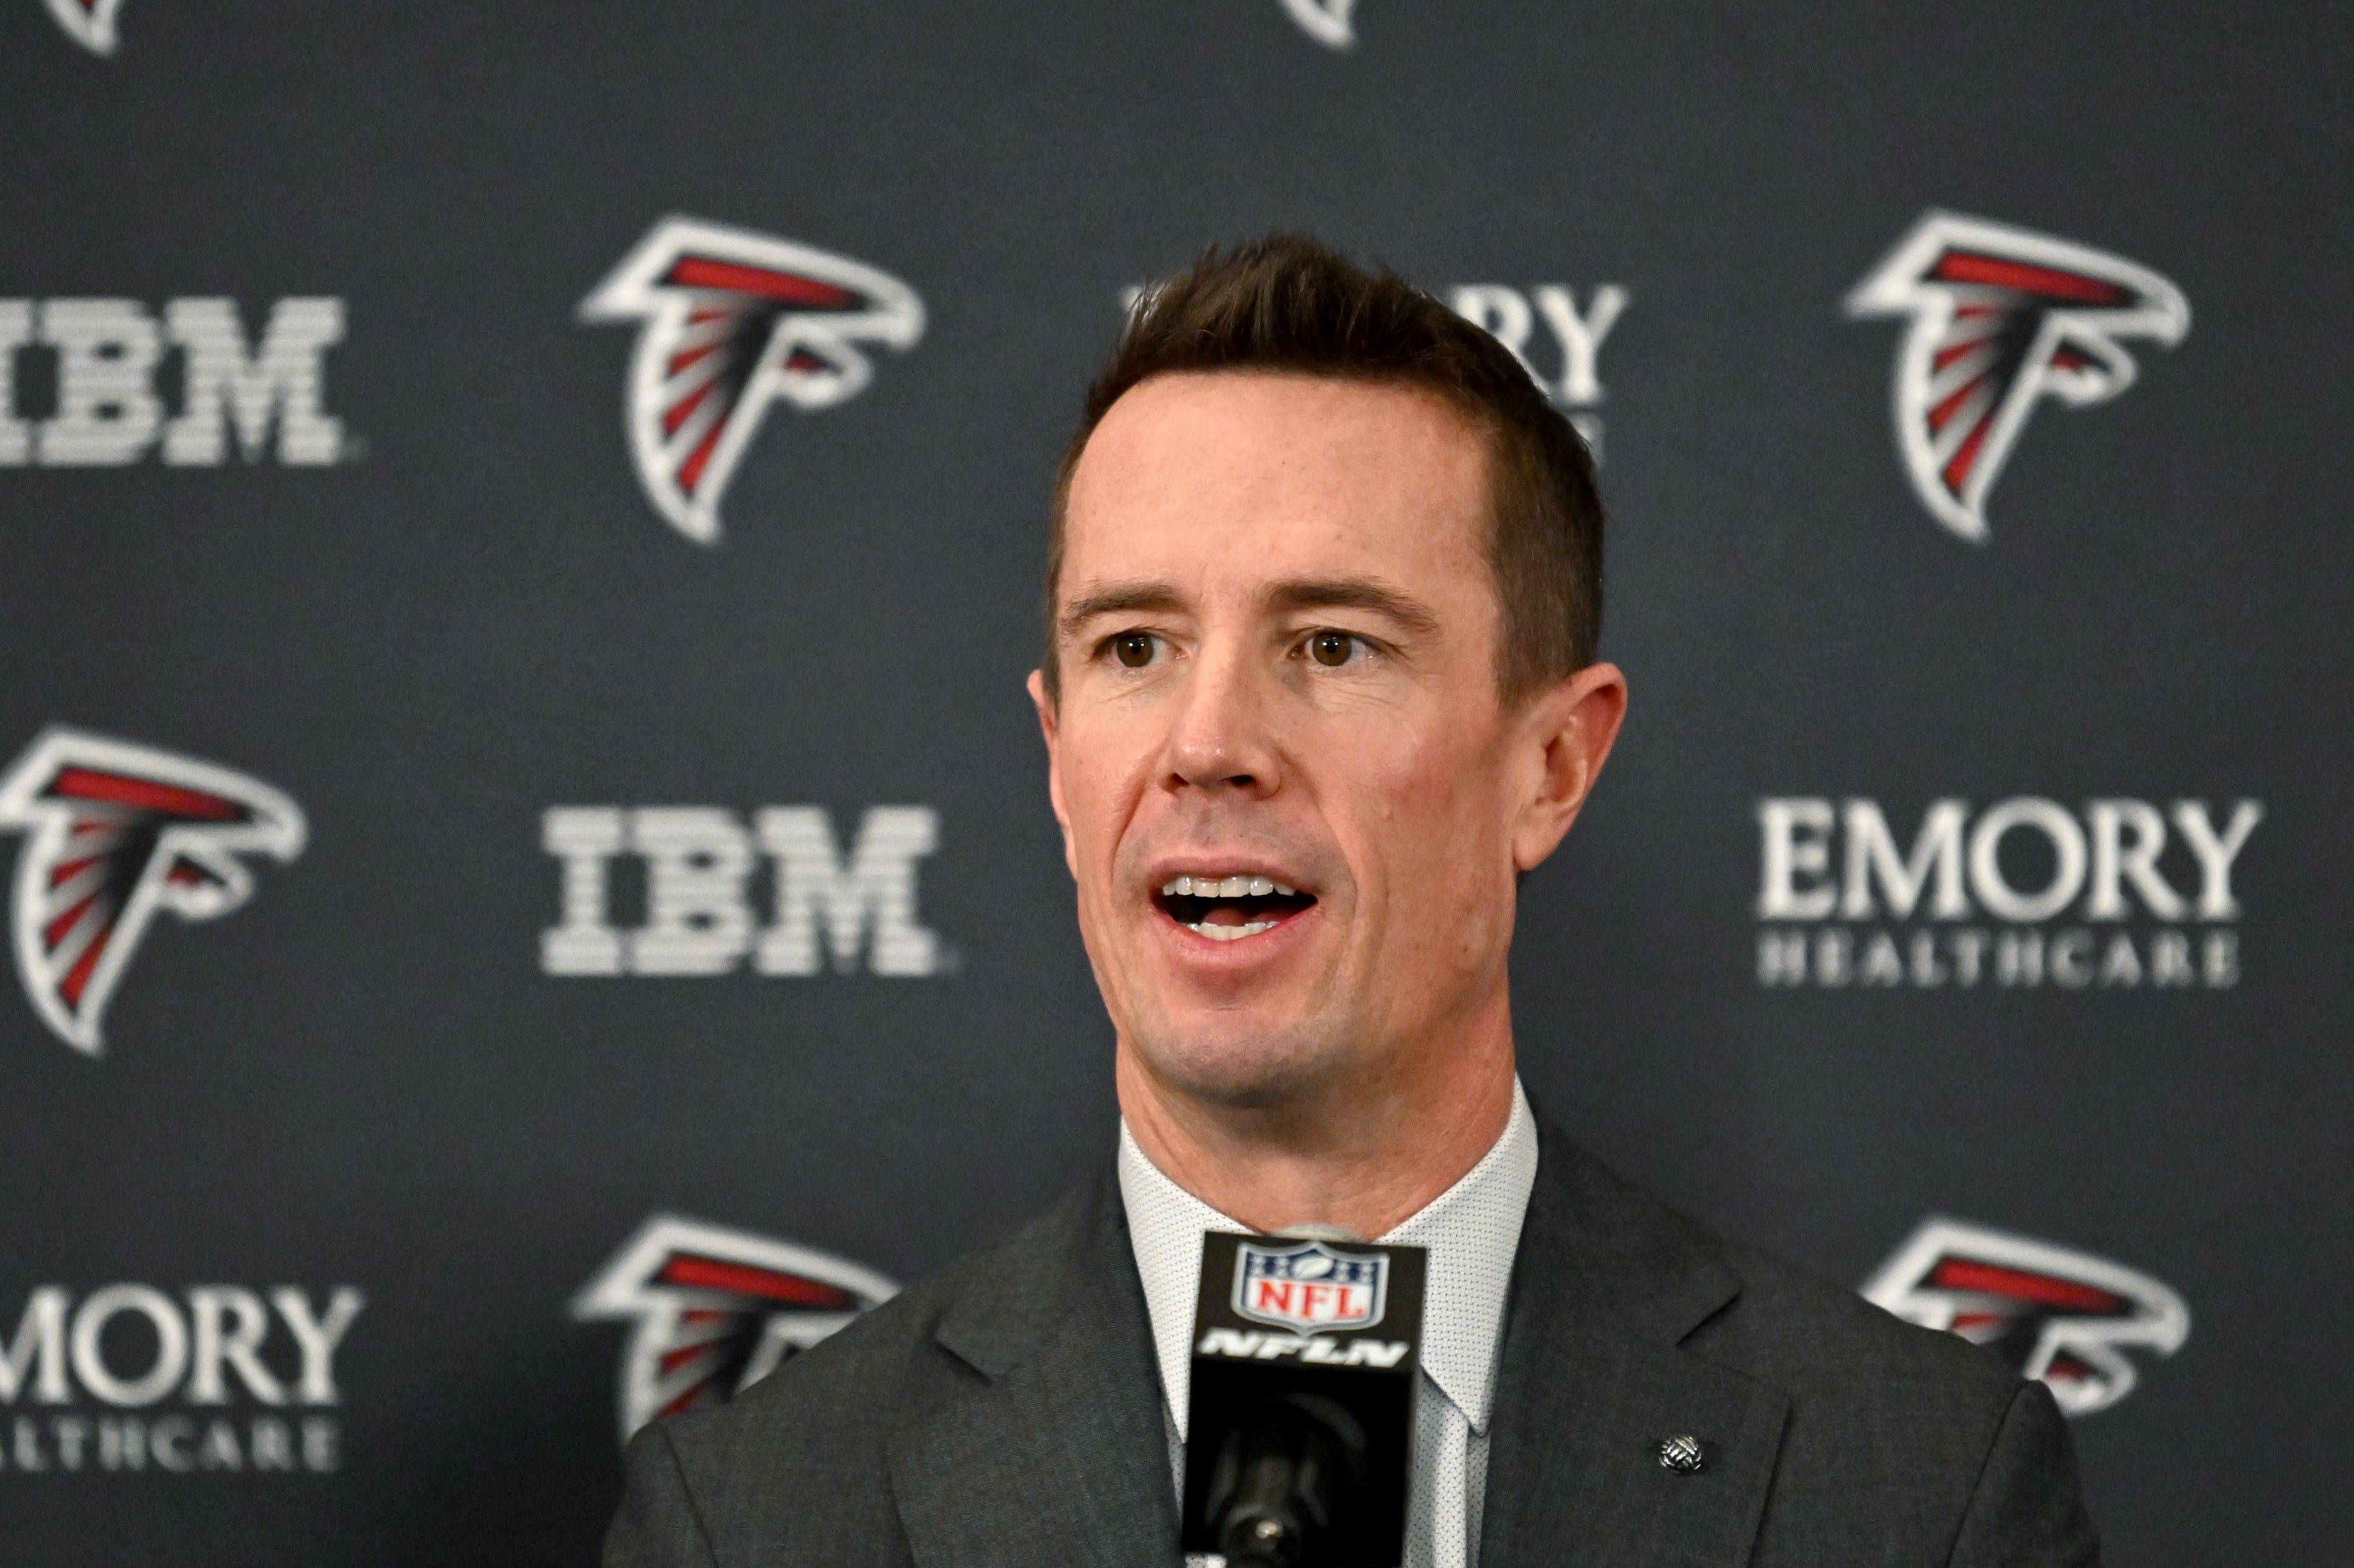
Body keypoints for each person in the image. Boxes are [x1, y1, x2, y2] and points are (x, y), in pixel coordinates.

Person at [601, 235, 2101, 1567]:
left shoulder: (1919, 1488)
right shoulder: (754, 1517)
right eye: (1135, 646)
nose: (1208, 745)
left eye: (1330, 645)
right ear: (1058, 758)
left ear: (1553, 762)